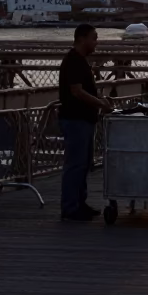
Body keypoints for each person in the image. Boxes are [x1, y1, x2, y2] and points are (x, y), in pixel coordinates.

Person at [58, 23, 112, 222]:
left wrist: (99, 104)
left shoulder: (79, 60)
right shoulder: (74, 61)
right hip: (75, 119)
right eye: (94, 38)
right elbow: (77, 91)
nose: (96, 43)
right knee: (75, 164)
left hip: (83, 119)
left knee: (83, 163)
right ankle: (70, 207)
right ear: (82, 38)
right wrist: (101, 104)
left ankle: (80, 202)